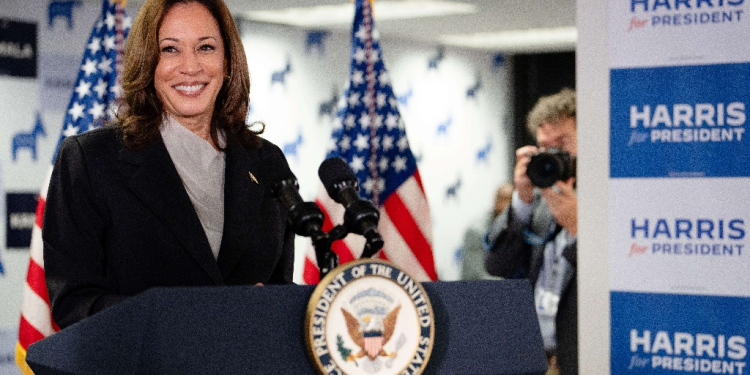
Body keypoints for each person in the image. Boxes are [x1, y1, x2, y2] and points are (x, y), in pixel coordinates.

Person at [43, 0, 295, 330]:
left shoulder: (267, 161)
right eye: (170, 49)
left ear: (228, 60)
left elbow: (279, 288)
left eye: (206, 47)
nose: (190, 66)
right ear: (147, 62)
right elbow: (75, 304)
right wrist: (192, 316)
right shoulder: (90, 160)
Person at [485, 88, 578, 375]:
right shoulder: (538, 202)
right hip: (532, 354)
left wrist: (577, 227)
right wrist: (522, 201)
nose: (551, 155)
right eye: (543, 147)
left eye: (561, 144)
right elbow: (498, 266)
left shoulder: (611, 199)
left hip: (581, 354)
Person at [460, 182, 513, 280]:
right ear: (496, 201)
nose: (509, 205)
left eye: (512, 200)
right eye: (505, 199)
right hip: (474, 290)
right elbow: (480, 274)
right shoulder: (475, 230)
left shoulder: (517, 226)